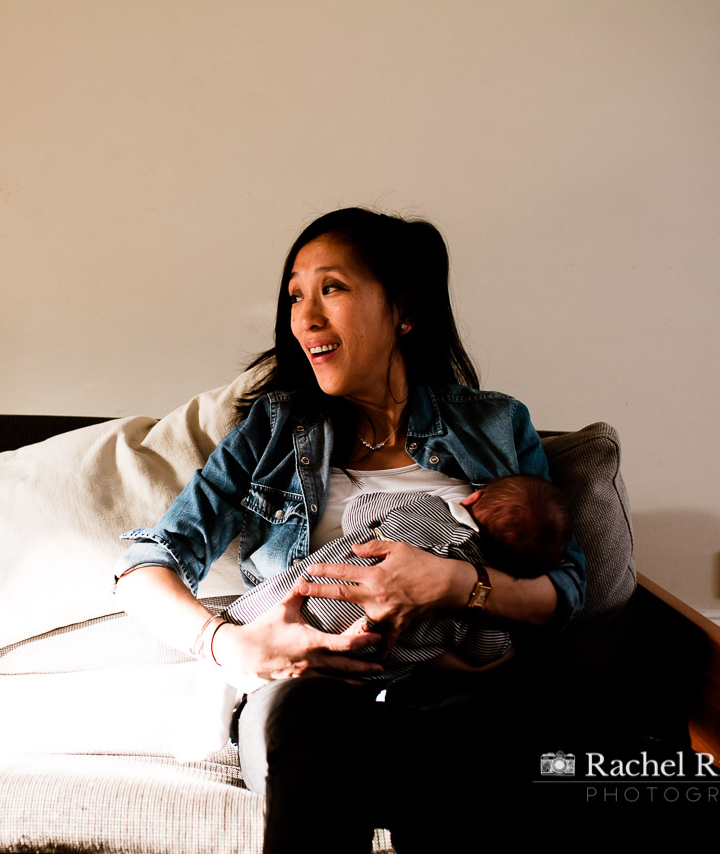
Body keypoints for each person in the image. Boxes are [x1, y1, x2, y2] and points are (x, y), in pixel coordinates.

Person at [113, 207, 587, 852]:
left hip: (452, 686)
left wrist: (458, 582)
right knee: (318, 723)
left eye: (331, 288)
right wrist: (232, 646)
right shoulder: (273, 429)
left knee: (474, 733)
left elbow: (565, 591)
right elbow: (146, 564)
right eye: (296, 296)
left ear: (404, 312)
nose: (305, 317)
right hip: (311, 689)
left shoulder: (496, 425)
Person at [222, 473, 573, 681]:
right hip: (349, 659)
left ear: (474, 497)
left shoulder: (426, 507)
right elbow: (484, 652)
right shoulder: (484, 611)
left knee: (275, 602)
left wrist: (372, 536)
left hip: (295, 598)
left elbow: (361, 511)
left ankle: (227, 675)